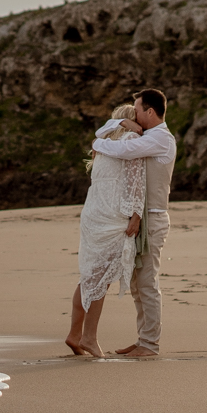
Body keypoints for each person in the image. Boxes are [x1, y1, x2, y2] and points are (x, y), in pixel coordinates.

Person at [88, 88, 177, 358]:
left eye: (137, 110)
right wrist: (119, 123)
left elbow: (124, 149)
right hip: (139, 218)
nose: (134, 115)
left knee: (147, 283)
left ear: (150, 112)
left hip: (152, 219)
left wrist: (97, 146)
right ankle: (144, 340)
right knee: (139, 285)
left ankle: (150, 345)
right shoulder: (146, 135)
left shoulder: (161, 139)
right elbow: (102, 131)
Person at [65, 104, 146, 358]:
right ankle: (88, 337)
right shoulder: (132, 140)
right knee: (99, 280)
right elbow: (136, 181)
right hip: (113, 213)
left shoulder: (100, 146)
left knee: (89, 275)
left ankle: (75, 334)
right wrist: (136, 214)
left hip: (93, 213)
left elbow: (99, 136)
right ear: (132, 120)